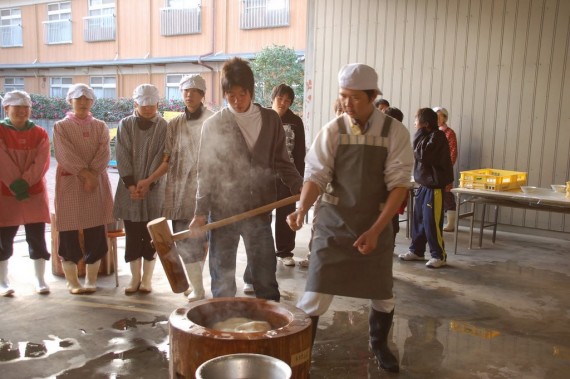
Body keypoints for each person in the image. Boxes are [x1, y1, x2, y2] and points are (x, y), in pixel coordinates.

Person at [287, 63, 414, 373]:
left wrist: (376, 230)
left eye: (355, 97)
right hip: (334, 221)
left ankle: (379, 343)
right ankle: (301, 352)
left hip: (377, 222)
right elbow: (315, 174)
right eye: (343, 96)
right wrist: (303, 208)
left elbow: (399, 185)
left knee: (381, 292)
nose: (347, 103)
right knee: (316, 292)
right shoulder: (333, 130)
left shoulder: (393, 132)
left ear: (372, 96)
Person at [189, 57, 303, 302]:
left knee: (265, 278)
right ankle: (223, 332)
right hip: (222, 213)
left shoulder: (271, 120)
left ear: (251, 91)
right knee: (222, 281)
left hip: (260, 210)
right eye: (231, 95)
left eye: (242, 94)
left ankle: (270, 333)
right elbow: (205, 172)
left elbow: (283, 162)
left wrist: (300, 186)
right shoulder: (214, 125)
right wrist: (200, 212)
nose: (237, 101)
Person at [53, 84, 114, 294]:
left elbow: (104, 152)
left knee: (95, 231)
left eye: (87, 99)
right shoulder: (61, 126)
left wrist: (93, 173)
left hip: (95, 183)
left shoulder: (100, 126)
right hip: (71, 183)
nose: (83, 102)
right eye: (78, 98)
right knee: (68, 231)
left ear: (92, 102)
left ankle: (91, 280)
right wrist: (85, 174)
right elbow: (64, 153)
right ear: (70, 101)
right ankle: (72, 282)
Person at [162, 74, 213, 302]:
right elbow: (167, 157)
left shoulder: (213, 120)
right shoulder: (174, 124)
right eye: (185, 91)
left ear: (202, 95)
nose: (189, 95)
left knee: (202, 240)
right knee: (183, 238)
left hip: (206, 189)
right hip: (180, 189)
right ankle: (197, 286)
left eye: (194, 91)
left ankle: (198, 285)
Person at [113, 84, 168, 294]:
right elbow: (122, 153)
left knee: (152, 234)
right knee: (132, 234)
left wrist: (148, 182)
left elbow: (162, 156)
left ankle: (147, 279)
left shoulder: (163, 126)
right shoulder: (125, 124)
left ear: (157, 104)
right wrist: (131, 184)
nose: (147, 108)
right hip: (130, 189)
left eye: (151, 104)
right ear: (135, 103)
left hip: (153, 189)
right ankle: (134, 278)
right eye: (143, 104)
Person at [0, 90, 51, 296]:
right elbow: (2, 162)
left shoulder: (40, 133)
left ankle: (39, 279)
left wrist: (25, 183)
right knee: (4, 238)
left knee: (37, 237)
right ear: (6, 109)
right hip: (5, 192)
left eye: (25, 108)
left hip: (34, 192)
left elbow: (41, 163)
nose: (22, 112)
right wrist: (17, 185)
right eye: (17, 107)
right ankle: (3, 281)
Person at [398, 108, 454, 269]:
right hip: (423, 186)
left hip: (434, 188)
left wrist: (419, 133)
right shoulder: (426, 136)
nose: (415, 124)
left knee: (431, 222)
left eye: (417, 121)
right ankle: (417, 250)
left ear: (425, 124)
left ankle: (438, 255)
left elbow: (423, 155)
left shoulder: (437, 136)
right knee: (419, 220)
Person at [298, 98, 344, 270]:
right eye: (339, 110)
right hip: (326, 193)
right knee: (318, 226)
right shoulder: (330, 133)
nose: (342, 113)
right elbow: (316, 172)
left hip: (348, 198)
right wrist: (301, 209)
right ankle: (314, 256)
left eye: (344, 110)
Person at [270, 84, 306, 267]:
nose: (283, 103)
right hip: (266, 177)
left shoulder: (295, 121)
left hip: (289, 177)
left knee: (286, 213)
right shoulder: (264, 118)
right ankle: (265, 251)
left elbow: (300, 152)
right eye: (280, 98)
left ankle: (284, 252)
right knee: (263, 216)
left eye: (287, 100)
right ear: (273, 98)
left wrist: (299, 181)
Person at [383, 106, 407, 242]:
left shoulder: (399, 138)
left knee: (391, 219)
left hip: (392, 187)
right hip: (383, 189)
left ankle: (389, 245)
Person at [433, 106, 458, 232]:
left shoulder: (449, 133)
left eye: (440, 116)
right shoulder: (431, 131)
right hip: (432, 171)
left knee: (447, 195)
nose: (437, 118)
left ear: (444, 118)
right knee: (433, 196)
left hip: (444, 170)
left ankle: (450, 223)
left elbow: (453, 152)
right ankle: (435, 221)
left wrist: (445, 167)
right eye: (435, 116)